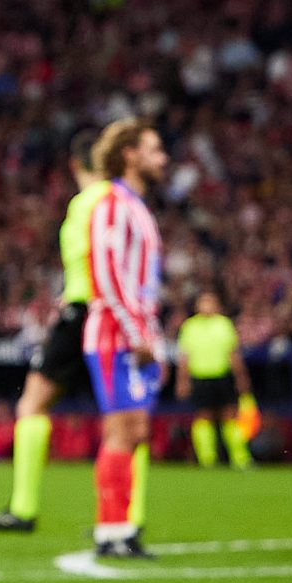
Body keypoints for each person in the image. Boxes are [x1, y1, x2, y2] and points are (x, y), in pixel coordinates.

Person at [0, 132, 145, 533]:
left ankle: (23, 508)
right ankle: (128, 518)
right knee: (123, 418)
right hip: (114, 313)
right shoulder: (125, 202)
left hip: (85, 311)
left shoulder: (90, 202)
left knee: (34, 403)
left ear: (75, 164)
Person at [85, 120, 167, 560]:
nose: (163, 159)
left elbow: (143, 287)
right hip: (113, 337)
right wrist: (137, 333)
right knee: (121, 430)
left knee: (135, 431)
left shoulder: (136, 206)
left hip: (135, 337)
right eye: (155, 150)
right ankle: (109, 530)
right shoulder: (112, 205)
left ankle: (124, 525)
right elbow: (109, 275)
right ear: (130, 154)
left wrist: (154, 338)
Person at [175, 289, 252, 470]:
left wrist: (241, 377)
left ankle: (240, 458)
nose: (207, 306)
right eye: (204, 301)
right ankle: (207, 458)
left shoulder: (224, 325)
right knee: (203, 417)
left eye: (210, 301)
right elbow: (184, 358)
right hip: (200, 377)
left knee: (230, 415)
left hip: (222, 376)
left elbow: (233, 354)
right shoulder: (190, 326)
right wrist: (182, 381)